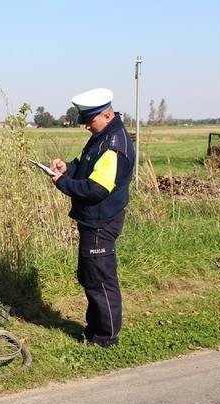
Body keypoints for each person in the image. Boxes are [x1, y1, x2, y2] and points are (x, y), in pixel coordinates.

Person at [49, 88, 135, 347]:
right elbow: (85, 166)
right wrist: (69, 168)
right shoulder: (103, 135)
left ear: (107, 115)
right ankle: (94, 329)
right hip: (93, 221)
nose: (86, 126)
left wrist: (63, 183)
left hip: (101, 222)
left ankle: (106, 338)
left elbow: (96, 189)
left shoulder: (113, 146)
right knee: (91, 276)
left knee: (100, 279)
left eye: (90, 120)